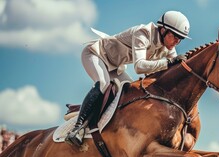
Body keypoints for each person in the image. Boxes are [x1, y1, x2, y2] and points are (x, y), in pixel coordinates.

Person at [65, 10, 191, 146]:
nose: (176, 42)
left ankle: (90, 114)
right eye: (174, 36)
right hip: (95, 54)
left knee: (132, 93)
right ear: (163, 30)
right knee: (103, 83)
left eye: (180, 39)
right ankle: (77, 128)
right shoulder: (143, 33)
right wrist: (168, 63)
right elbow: (139, 66)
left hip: (115, 66)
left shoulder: (169, 47)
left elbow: (174, 70)